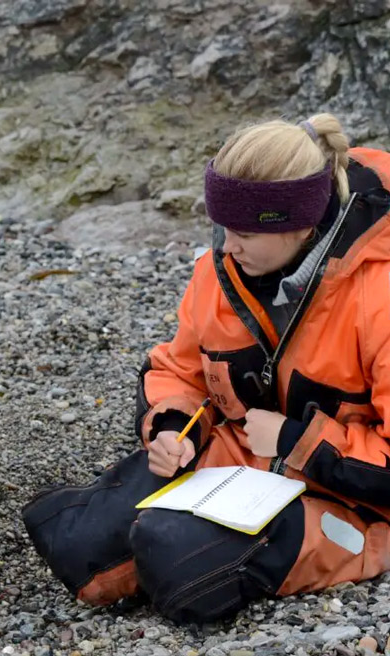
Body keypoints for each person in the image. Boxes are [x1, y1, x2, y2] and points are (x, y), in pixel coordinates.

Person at [24, 114, 390, 623]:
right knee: (75, 539)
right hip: (247, 465)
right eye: (220, 227)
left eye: (241, 232)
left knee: (178, 566)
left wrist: (293, 441)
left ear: (298, 222)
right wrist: (175, 428)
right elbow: (179, 369)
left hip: (354, 496)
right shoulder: (225, 269)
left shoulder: (381, 292)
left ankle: (371, 548)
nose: (226, 246)